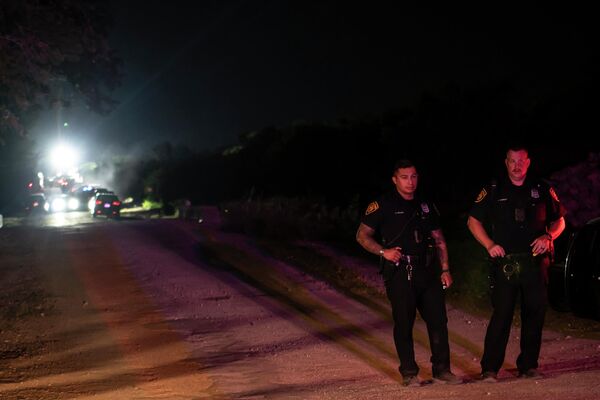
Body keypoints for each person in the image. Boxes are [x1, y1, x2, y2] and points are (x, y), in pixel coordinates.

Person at [356, 159, 461, 387]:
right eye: (404, 177)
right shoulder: (382, 204)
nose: (410, 181)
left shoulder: (425, 205)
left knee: (438, 321)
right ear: (395, 179)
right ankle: (409, 372)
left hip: (428, 271)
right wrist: (384, 252)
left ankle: (442, 370)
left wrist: (445, 269)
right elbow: (362, 235)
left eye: (413, 176)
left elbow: (439, 240)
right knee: (404, 322)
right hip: (401, 272)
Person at [467, 145, 566, 382]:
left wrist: (549, 236)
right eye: (512, 161)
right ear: (506, 162)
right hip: (505, 264)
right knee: (501, 315)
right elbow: (473, 221)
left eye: (521, 161)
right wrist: (489, 245)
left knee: (535, 314)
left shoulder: (542, 188)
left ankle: (528, 366)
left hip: (535, 263)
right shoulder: (493, 188)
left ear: (528, 162)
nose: (517, 165)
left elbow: (559, 221)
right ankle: (490, 369)